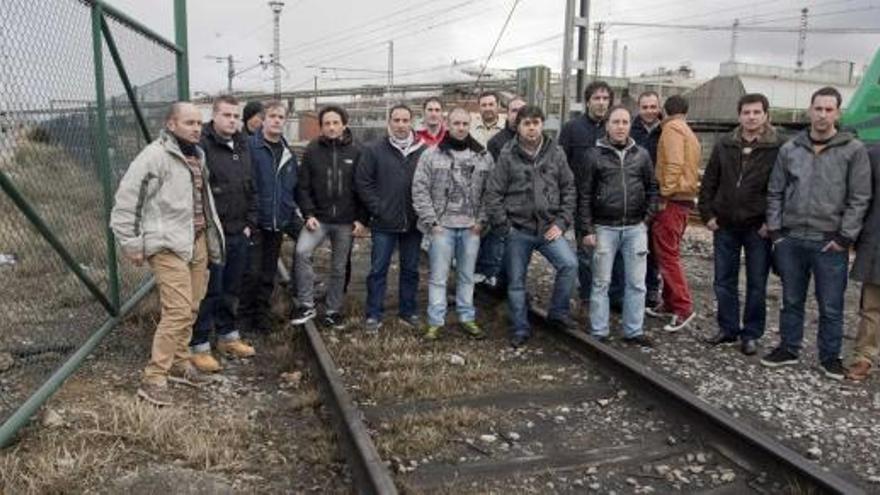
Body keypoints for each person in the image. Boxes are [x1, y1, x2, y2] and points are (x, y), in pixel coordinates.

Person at [110, 102, 225, 406]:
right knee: (177, 310)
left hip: (195, 240)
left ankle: (179, 362)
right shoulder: (155, 156)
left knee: (192, 305)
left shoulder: (197, 155)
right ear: (171, 125)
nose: (196, 128)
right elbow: (126, 202)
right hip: (167, 243)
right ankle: (154, 378)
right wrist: (132, 244)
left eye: (199, 123)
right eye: (189, 122)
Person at [763, 86, 871, 380]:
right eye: (818, 109)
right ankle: (788, 347)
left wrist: (844, 237)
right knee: (791, 299)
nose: (822, 115)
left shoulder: (853, 150)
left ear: (838, 113)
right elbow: (775, 191)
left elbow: (860, 197)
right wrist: (776, 232)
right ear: (810, 110)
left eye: (829, 109)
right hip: (792, 239)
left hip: (829, 241)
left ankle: (829, 357)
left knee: (831, 305)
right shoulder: (790, 149)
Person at [485, 105, 578, 348]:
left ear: (542, 124)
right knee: (516, 281)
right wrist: (505, 228)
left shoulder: (555, 153)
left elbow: (569, 188)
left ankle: (557, 312)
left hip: (549, 228)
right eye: (527, 123)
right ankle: (520, 328)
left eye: (536, 122)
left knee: (569, 264)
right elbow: (493, 194)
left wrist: (561, 222)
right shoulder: (508, 155)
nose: (532, 127)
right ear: (519, 126)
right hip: (518, 230)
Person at [698, 93, 782, 356]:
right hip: (725, 224)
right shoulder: (725, 144)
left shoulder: (777, 147)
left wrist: (771, 222)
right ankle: (728, 328)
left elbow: (782, 188)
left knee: (757, 283)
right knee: (724, 280)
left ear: (766, 115)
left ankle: (751, 334)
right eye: (746, 112)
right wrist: (707, 214)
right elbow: (710, 180)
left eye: (757, 112)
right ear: (739, 115)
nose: (751, 117)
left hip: (758, 227)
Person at [189, 96, 258, 373]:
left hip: (239, 230)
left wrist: (250, 222)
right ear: (214, 116)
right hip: (213, 233)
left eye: (236, 116)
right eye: (227, 115)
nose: (232, 120)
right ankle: (200, 345)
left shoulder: (242, 144)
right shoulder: (201, 147)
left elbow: (252, 186)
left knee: (232, 287)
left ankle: (228, 336)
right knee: (210, 289)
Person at [579, 106, 658, 346]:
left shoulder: (641, 155)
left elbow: (652, 188)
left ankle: (633, 330)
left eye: (625, 122)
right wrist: (587, 229)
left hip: (635, 228)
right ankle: (599, 331)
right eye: (616, 122)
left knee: (636, 283)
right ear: (607, 125)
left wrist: (646, 220)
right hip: (604, 228)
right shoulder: (593, 155)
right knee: (601, 282)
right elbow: (584, 195)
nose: (621, 126)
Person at [412, 107, 494, 340]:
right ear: (448, 124)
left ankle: (467, 318)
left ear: (470, 125)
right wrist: (432, 223)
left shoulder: (483, 156)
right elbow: (419, 189)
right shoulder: (431, 154)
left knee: (467, 276)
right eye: (456, 123)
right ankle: (435, 322)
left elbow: (491, 192)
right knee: (438, 277)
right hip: (442, 228)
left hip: (471, 228)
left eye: (464, 124)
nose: (460, 128)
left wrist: (481, 221)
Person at [290, 106, 366, 328]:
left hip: (346, 221)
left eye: (335, 123)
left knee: (339, 267)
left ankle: (333, 310)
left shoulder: (357, 151)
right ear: (321, 126)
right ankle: (306, 304)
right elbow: (302, 186)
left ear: (344, 124)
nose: (331, 127)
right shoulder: (313, 150)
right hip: (319, 219)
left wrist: (362, 219)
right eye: (327, 124)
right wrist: (308, 214)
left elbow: (363, 187)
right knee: (302, 251)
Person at [355, 104, 427, 333]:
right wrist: (379, 208)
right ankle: (374, 315)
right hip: (384, 223)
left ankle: (408, 311)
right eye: (396, 120)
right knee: (378, 270)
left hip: (413, 222)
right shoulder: (374, 149)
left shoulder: (423, 151)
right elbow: (363, 182)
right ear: (389, 122)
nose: (401, 125)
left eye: (405, 120)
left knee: (411, 270)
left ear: (412, 122)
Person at [559, 80, 623, 314]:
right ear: (587, 101)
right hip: (581, 202)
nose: (601, 102)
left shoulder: (617, 127)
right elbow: (561, 164)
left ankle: (612, 298)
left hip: (611, 203)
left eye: (606, 98)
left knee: (612, 254)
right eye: (597, 98)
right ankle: (587, 298)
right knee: (586, 254)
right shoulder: (572, 129)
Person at [239, 101, 300, 333]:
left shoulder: (287, 152)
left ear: (285, 121)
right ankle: (243, 319)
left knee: (266, 273)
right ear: (262, 120)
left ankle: (261, 317)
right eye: (272, 116)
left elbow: (292, 187)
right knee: (251, 273)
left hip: (277, 222)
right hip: (254, 222)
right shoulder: (249, 147)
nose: (276, 120)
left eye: (280, 117)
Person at [649, 94, 701, 333]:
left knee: (667, 255)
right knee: (669, 252)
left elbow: (673, 164)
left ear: (665, 110)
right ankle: (669, 302)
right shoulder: (688, 131)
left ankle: (682, 307)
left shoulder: (671, 130)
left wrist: (665, 193)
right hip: (684, 199)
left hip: (672, 200)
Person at [475, 96, 527, 289]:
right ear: (507, 113)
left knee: (518, 251)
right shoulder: (497, 142)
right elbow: (496, 178)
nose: (519, 115)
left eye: (522, 110)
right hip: (505, 204)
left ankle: (510, 283)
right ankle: (491, 278)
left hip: (528, 207)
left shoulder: (536, 137)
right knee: (499, 243)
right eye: (514, 110)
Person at [847, 144, 880, 381]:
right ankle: (864, 357)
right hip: (877, 240)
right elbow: (860, 198)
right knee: (872, 307)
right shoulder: (872, 156)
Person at [630, 91, 663, 308]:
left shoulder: (667, 131)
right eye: (645, 107)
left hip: (657, 195)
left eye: (653, 107)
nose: (649, 111)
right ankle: (630, 287)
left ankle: (652, 288)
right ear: (639, 108)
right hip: (634, 195)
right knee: (633, 247)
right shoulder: (631, 130)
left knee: (654, 247)